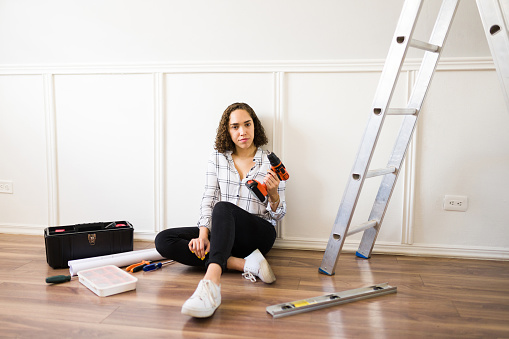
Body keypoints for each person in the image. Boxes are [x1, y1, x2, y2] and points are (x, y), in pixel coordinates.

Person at [155, 102, 287, 318]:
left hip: (258, 234)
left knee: (223, 208)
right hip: (226, 234)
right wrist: (203, 235)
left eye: (247, 124)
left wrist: (273, 195)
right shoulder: (218, 158)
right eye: (235, 126)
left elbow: (279, 214)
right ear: (227, 131)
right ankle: (244, 264)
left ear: (255, 126)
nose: (242, 131)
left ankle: (211, 283)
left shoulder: (269, 162)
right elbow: (208, 197)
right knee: (164, 240)